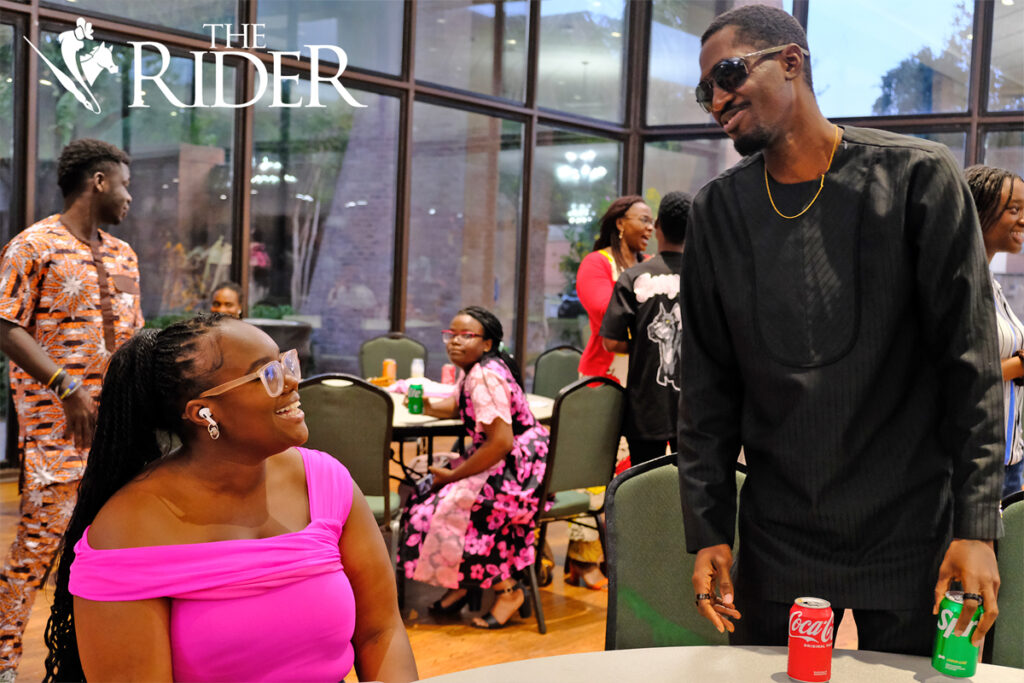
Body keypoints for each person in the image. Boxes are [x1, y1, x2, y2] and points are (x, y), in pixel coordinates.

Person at [678, 4, 1003, 656]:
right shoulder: (719, 210)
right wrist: (709, 528)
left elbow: (971, 365)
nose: (715, 99)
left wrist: (977, 525)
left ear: (792, 62)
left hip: (916, 530)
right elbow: (707, 385)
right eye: (703, 88)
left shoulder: (919, 178)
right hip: (779, 534)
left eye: (729, 73)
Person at [43, 314, 417, 682]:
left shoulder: (325, 482)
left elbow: (380, 632)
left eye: (285, 363)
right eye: (267, 374)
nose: (292, 381)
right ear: (204, 413)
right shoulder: (127, 530)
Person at [0, 139, 143, 681]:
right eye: (125, 184)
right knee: (37, 550)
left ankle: (89, 661)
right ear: (99, 182)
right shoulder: (31, 246)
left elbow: (133, 338)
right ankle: (3, 662)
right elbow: (5, 324)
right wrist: (66, 386)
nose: (131, 197)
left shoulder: (126, 255)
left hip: (120, 433)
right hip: (56, 433)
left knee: (107, 552)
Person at [399, 306, 549, 630]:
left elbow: (501, 442)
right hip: (517, 457)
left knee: (443, 507)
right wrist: (423, 403)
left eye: (465, 336)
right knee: (424, 491)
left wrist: (455, 474)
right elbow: (457, 405)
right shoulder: (477, 369)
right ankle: (463, 586)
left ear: (487, 343)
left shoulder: (484, 375)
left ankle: (507, 591)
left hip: (519, 468)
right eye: (450, 335)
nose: (454, 342)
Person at [570, 195, 653, 588]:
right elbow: (607, 312)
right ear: (620, 223)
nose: (650, 228)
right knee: (593, 468)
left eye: (653, 222)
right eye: (642, 220)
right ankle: (582, 558)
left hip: (642, 376)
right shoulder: (596, 263)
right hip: (605, 376)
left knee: (630, 468)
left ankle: (621, 553)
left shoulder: (647, 268)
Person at [601, 191, 691, 467]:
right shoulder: (705, 276)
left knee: (642, 482)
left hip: (645, 405)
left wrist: (641, 344)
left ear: (659, 226)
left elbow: (611, 342)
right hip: (695, 407)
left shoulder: (633, 277)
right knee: (689, 486)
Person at [966, 165, 1024, 499]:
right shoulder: (960, 284)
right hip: (975, 465)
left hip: (1008, 460)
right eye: (1013, 210)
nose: (1022, 220)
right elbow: (957, 377)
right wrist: (1019, 365)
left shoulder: (992, 284)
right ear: (977, 211)